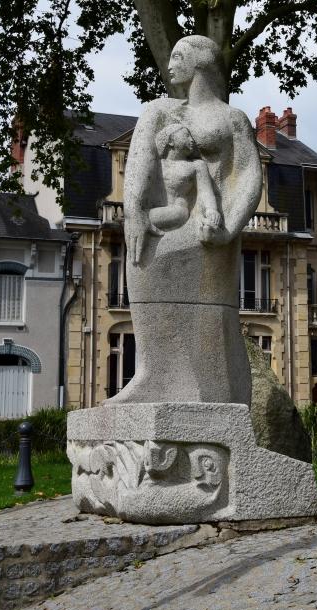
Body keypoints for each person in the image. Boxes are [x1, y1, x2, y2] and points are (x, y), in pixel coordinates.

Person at [106, 35, 262, 405]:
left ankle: (211, 390)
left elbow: (250, 176)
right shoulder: (159, 110)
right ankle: (152, 375)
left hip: (212, 230)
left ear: (202, 63)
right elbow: (140, 162)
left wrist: (228, 229)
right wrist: (135, 215)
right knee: (142, 266)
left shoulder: (232, 119)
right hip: (168, 221)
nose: (171, 64)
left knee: (210, 315)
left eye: (179, 56)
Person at [149, 123, 223, 232]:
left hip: (179, 211)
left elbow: (205, 192)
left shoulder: (196, 165)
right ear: (170, 141)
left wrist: (211, 210)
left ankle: (146, 220)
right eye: (186, 135)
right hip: (156, 210)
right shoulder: (157, 164)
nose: (192, 140)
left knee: (178, 212)